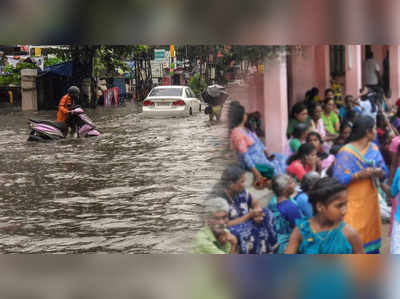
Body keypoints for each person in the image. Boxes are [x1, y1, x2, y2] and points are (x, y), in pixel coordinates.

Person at [332, 115, 389, 253]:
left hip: (370, 201)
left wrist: (379, 172)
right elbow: (337, 179)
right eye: (375, 128)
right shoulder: (346, 152)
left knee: (371, 236)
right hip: (352, 201)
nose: (377, 130)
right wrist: (358, 175)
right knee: (353, 236)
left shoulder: (374, 148)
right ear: (367, 131)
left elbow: (385, 171)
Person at [285, 177, 364, 254]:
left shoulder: (349, 234)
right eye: (339, 206)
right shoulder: (302, 230)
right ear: (320, 206)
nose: (344, 211)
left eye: (345, 204)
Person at [212, 165, 278, 254]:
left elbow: (254, 202)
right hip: (226, 227)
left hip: (245, 220)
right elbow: (224, 223)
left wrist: (257, 212)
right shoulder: (218, 199)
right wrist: (249, 216)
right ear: (231, 184)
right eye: (242, 182)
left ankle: (270, 249)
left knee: (267, 213)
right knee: (246, 230)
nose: (245, 185)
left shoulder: (240, 191)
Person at [229, 102, 287, 189]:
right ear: (242, 116)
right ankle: (279, 186)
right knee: (274, 167)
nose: (246, 115)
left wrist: (267, 154)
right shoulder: (237, 133)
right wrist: (256, 173)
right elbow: (245, 155)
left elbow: (259, 143)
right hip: (255, 162)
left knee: (282, 158)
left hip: (262, 158)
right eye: (244, 113)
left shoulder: (246, 129)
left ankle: (280, 183)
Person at [268, 174, 305, 253]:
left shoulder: (273, 203)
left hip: (277, 243)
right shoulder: (290, 208)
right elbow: (301, 231)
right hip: (289, 246)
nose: (294, 184)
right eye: (291, 183)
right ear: (284, 190)